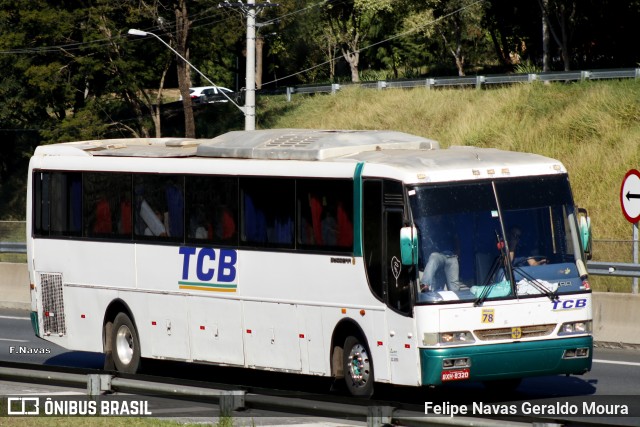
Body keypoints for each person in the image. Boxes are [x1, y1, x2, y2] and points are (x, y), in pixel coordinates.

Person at [419, 215, 462, 292]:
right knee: (433, 256)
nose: (436, 218)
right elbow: (426, 242)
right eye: (434, 216)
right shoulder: (429, 225)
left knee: (455, 289)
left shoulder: (448, 224)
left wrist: (458, 252)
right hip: (439, 255)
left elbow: (456, 238)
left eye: (437, 216)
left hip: (451, 256)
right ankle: (425, 284)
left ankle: (456, 299)